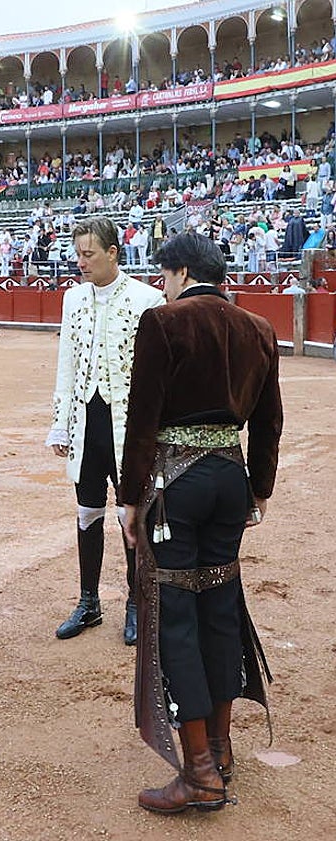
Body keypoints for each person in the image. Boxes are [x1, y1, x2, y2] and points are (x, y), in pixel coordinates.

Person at [119, 233, 282, 814]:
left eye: (164, 274)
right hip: (228, 481)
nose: (161, 284)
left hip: (175, 484)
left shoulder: (163, 323)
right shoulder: (258, 329)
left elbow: (142, 418)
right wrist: (257, 490)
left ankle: (200, 773)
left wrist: (130, 498)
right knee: (220, 608)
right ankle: (220, 746)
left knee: (176, 617)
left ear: (181, 271)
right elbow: (268, 422)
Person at [46, 216, 164, 645]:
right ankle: (89, 601)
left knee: (130, 512)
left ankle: (137, 602)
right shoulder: (73, 299)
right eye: (77, 253)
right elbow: (67, 363)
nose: (80, 262)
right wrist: (60, 425)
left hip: (128, 426)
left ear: (113, 253)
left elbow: (155, 374)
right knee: (87, 510)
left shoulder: (147, 299)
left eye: (88, 254)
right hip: (86, 420)